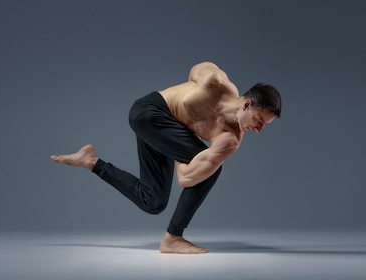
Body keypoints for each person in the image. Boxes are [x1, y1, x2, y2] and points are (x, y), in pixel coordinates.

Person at [51, 62, 281, 254]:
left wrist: (179, 150)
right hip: (150, 112)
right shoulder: (215, 81)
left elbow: (187, 179)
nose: (259, 130)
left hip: (163, 132)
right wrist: (183, 132)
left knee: (152, 201)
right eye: (260, 121)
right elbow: (195, 71)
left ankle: (91, 161)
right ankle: (173, 237)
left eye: (265, 126)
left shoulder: (230, 140)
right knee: (214, 169)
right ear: (247, 104)